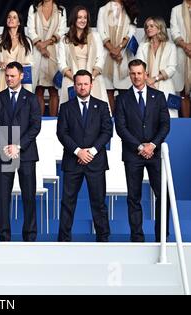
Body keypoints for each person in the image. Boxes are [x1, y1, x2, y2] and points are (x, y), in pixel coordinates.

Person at [115, 59, 171, 242]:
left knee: (163, 195)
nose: (136, 77)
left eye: (139, 73)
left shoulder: (159, 96)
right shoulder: (122, 99)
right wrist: (140, 147)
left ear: (145, 74)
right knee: (134, 197)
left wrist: (152, 145)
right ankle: (137, 238)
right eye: (133, 73)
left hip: (154, 154)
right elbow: (121, 128)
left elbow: (165, 125)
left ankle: (161, 235)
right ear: (129, 75)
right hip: (133, 154)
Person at [0, 62, 41, 242]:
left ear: (21, 76)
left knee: (29, 196)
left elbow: (35, 127)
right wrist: (6, 145)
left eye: (12, 76)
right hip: (3, 153)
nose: (9, 79)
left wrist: (17, 146)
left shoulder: (32, 98)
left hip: (25, 154)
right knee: (3, 197)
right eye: (7, 76)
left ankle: (30, 236)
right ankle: (4, 236)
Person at [57, 69, 112, 242]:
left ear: (91, 85)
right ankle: (63, 241)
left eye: (85, 84)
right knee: (67, 203)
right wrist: (78, 151)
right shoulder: (66, 107)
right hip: (73, 162)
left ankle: (103, 239)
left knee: (98, 203)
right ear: (74, 85)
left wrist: (91, 151)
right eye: (79, 84)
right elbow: (62, 133)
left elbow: (107, 131)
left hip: (95, 162)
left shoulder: (102, 106)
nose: (82, 87)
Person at [57, 6, 108, 106]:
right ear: (74, 19)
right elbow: (61, 63)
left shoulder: (95, 36)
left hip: (93, 79)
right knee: (71, 113)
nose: (83, 20)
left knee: (95, 113)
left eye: (85, 17)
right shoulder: (65, 39)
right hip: (71, 79)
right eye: (79, 17)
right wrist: (76, 80)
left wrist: (90, 78)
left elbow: (101, 59)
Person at [0, 9, 33, 115]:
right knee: (2, 110)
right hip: (3, 78)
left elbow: (31, 62)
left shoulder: (26, 41)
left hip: (20, 79)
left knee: (20, 110)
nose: (11, 19)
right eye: (9, 17)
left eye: (14, 17)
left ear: (19, 22)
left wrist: (18, 66)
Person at [97, 0, 138, 114]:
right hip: (107, 56)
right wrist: (112, 49)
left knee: (125, 91)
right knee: (108, 91)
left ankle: (124, 121)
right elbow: (101, 31)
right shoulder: (103, 9)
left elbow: (131, 31)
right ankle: (109, 120)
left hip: (124, 55)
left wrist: (119, 48)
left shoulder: (130, 8)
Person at [27, 0, 67, 116]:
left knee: (54, 90)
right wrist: (41, 47)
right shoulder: (33, 8)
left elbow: (62, 30)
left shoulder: (61, 10)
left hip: (53, 52)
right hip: (38, 52)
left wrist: (47, 43)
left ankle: (53, 121)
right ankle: (39, 121)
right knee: (38, 88)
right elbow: (30, 30)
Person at [136, 17, 179, 118]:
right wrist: (147, 81)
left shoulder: (170, 46)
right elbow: (138, 65)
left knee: (169, 117)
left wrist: (154, 79)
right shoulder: (143, 46)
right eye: (147, 27)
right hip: (146, 86)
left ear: (159, 28)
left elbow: (172, 68)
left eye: (151, 26)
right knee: (147, 118)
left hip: (166, 85)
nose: (148, 29)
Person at [170, 0, 191, 117]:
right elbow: (174, 32)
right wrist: (186, 46)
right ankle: (186, 124)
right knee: (183, 92)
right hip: (182, 54)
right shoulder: (176, 10)